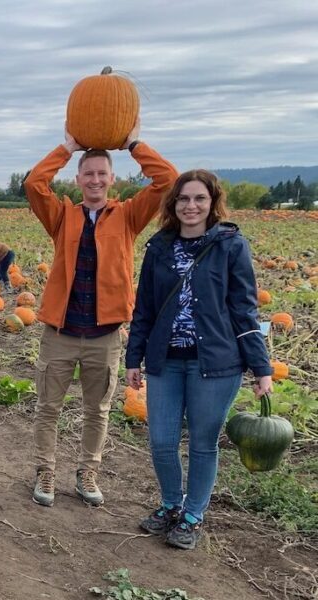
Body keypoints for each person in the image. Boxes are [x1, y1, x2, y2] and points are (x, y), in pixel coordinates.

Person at [24, 120, 178, 508]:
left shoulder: (128, 216)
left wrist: (133, 144)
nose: (94, 180)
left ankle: (87, 470)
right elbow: (33, 185)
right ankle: (45, 470)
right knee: (48, 407)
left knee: (98, 409)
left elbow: (168, 181)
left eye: (101, 174)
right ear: (78, 178)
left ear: (112, 179)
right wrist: (67, 148)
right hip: (60, 331)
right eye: (88, 173)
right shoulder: (62, 216)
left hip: (105, 334)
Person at [125, 170, 273, 550]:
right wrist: (133, 358)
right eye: (184, 199)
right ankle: (170, 505)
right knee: (161, 440)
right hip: (166, 361)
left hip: (216, 363)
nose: (191, 206)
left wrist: (261, 368)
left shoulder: (231, 245)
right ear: (173, 204)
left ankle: (193, 515)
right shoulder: (159, 247)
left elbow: (244, 310)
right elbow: (144, 309)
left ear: (212, 203)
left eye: (199, 199)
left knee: (203, 443)